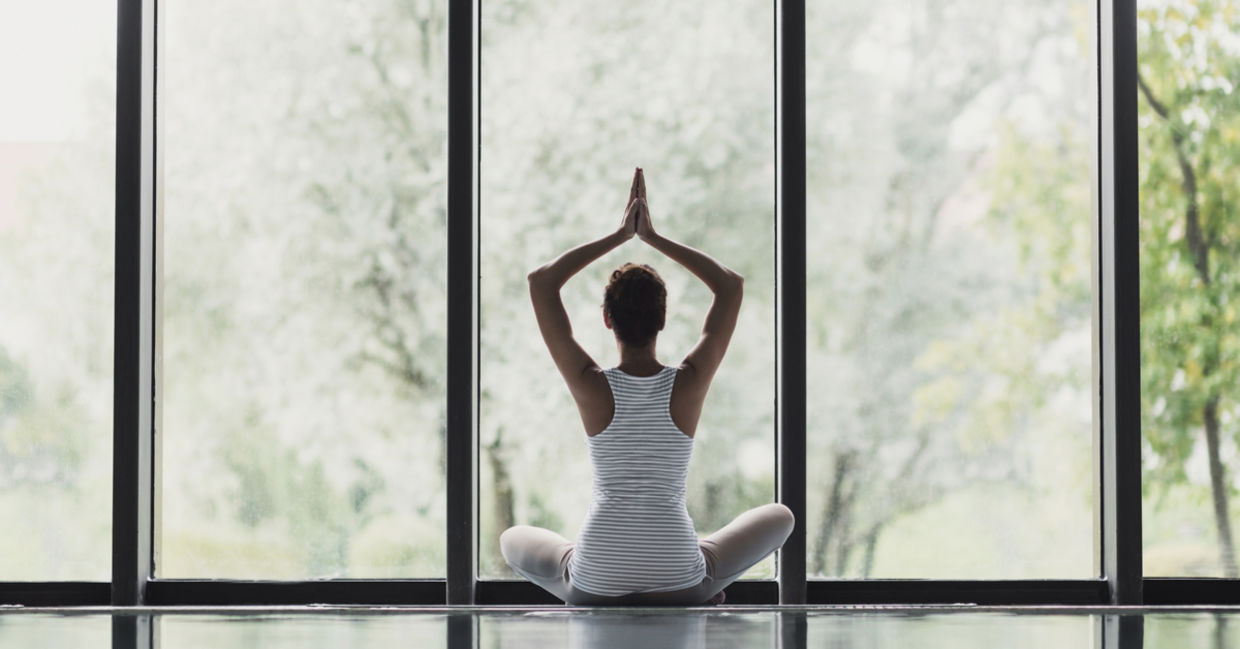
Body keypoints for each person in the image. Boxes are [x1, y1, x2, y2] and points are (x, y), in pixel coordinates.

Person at [500, 167, 794, 605]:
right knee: (781, 516)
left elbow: (541, 283)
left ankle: (591, 575)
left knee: (512, 539)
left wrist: (620, 236)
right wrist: (653, 237)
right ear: (663, 320)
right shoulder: (689, 383)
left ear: (606, 320)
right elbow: (730, 287)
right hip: (678, 576)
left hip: (596, 580)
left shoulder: (590, 386)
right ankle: (697, 581)